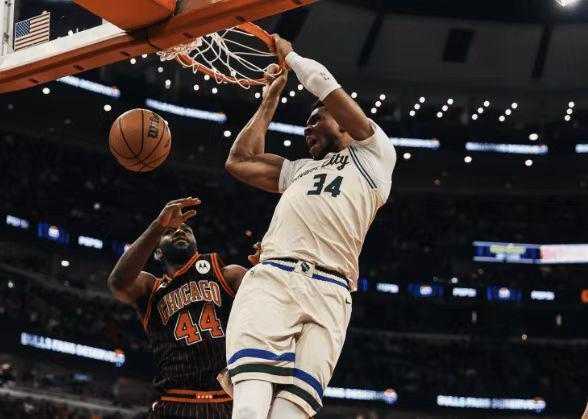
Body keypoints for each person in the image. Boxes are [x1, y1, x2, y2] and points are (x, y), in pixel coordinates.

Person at [222, 34, 397, 418]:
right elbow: (240, 161)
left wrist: (292, 57)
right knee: (249, 407)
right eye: (306, 123)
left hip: (332, 290)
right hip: (274, 277)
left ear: (343, 123)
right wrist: (269, 100)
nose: (307, 129)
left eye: (316, 118)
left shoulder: (375, 156)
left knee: (290, 412)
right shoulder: (300, 170)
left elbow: (323, 84)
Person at [108, 197, 259, 418]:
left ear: (196, 247)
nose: (180, 232)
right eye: (169, 232)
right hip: (174, 402)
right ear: (158, 252)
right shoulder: (150, 288)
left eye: (187, 230)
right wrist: (158, 226)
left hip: (227, 402)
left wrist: (265, 272)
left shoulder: (227, 275)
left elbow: (269, 307)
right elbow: (118, 283)